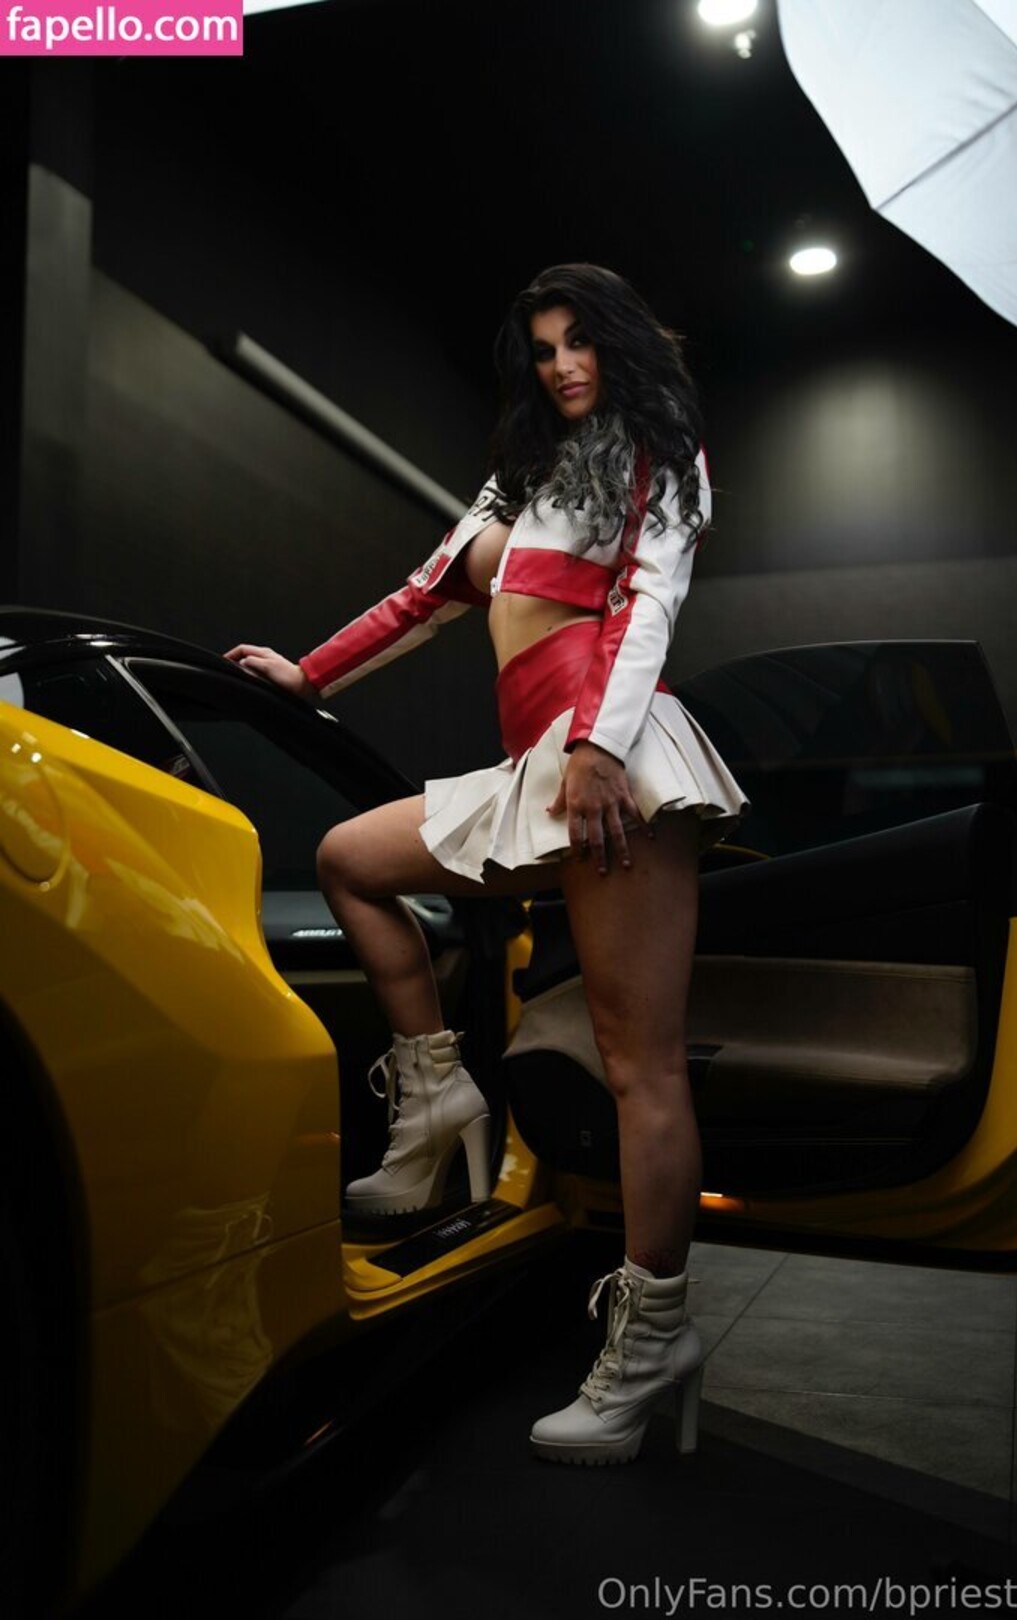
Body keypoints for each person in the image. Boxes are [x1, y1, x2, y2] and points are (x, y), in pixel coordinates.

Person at [224, 263, 748, 1466]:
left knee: (639, 1065)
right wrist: (309, 672)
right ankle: (436, 1102)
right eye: (544, 349)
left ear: (618, 342)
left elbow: (650, 603)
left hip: (612, 756)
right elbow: (421, 597)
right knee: (352, 860)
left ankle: (653, 1336)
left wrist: (600, 749)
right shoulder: (517, 478)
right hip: (532, 767)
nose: (564, 365)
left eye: (581, 341)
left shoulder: (659, 450)